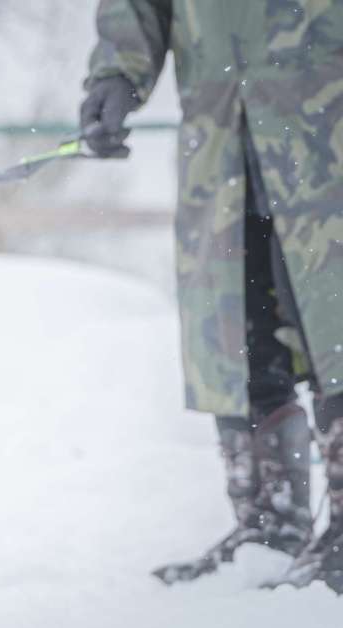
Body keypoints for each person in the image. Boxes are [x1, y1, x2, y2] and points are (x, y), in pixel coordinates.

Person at [79, 0, 343, 591]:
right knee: (237, 324)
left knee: (335, 314)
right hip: (221, 120)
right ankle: (270, 527)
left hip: (327, 106)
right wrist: (118, 72)